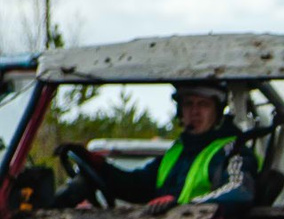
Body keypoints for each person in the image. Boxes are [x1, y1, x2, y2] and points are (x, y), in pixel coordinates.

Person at [34, 83, 257, 211]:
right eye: (189, 104)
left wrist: (180, 207)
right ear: (180, 111)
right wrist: (98, 165)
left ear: (217, 111)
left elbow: (239, 192)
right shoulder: (176, 152)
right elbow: (137, 187)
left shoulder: (231, 151)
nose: (195, 112)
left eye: (203, 105)